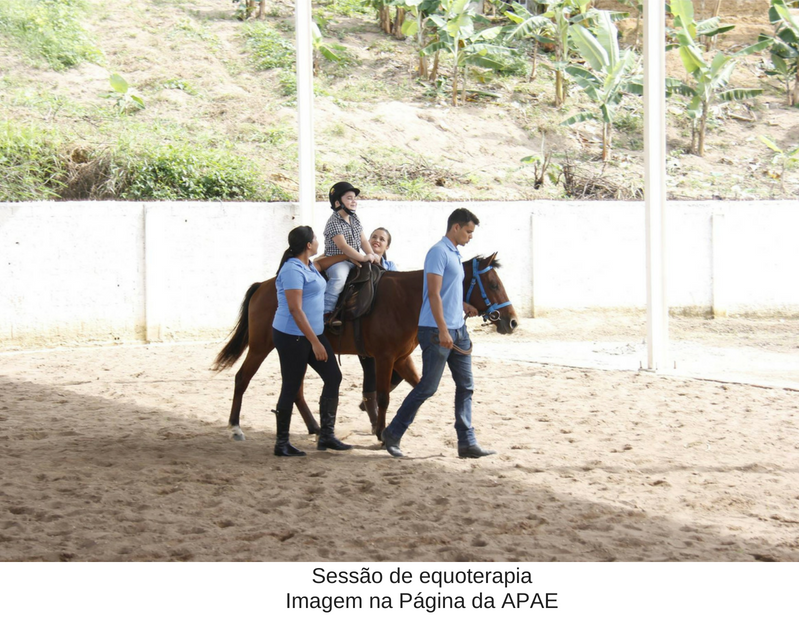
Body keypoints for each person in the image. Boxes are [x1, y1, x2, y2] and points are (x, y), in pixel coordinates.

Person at [381, 208, 497, 459]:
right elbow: (432, 294)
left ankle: (467, 442)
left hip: (459, 330)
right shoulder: (438, 252)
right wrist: (443, 329)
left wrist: (464, 306)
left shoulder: (455, 253)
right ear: (455, 227)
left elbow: (447, 292)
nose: (470, 236)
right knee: (427, 387)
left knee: (466, 386)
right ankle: (392, 433)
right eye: (468, 231)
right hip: (436, 331)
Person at [271, 226, 352, 456]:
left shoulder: (308, 266)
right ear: (308, 245)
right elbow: (296, 310)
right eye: (315, 238)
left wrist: (348, 255)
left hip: (312, 334)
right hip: (292, 336)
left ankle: (326, 435)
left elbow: (323, 263)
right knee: (291, 386)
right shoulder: (291, 270)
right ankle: (281, 443)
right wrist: (315, 343)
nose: (318, 241)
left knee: (333, 376)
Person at [358, 227, 402, 421]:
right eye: (374, 237)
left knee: (399, 373)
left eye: (382, 239)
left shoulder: (391, 268)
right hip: (364, 325)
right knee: (370, 369)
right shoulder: (360, 263)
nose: (377, 241)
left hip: (388, 331)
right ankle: (374, 420)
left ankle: (370, 399)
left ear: (387, 246)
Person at [323, 182, 379, 325]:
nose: (353, 201)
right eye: (349, 198)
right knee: (339, 278)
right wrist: (362, 257)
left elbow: (363, 240)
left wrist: (372, 254)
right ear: (337, 202)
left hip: (354, 258)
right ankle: (327, 312)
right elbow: (343, 246)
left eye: (354, 198)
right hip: (337, 260)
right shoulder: (333, 221)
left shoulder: (355, 218)